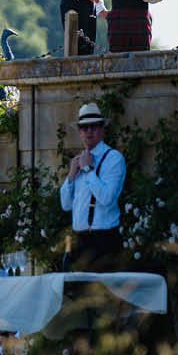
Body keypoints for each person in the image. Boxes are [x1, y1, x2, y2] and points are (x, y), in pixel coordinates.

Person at [59, 102, 127, 272]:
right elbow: (65, 205)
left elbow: (107, 198)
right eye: (84, 127)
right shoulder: (79, 161)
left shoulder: (113, 159)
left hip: (104, 241)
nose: (89, 131)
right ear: (79, 132)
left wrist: (88, 171)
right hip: (79, 241)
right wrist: (71, 176)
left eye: (94, 126)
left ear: (102, 129)